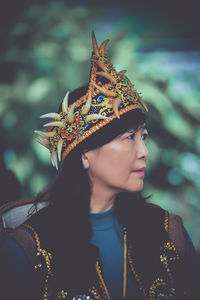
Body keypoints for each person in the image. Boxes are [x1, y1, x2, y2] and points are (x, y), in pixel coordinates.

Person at [0, 32, 199, 300]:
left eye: (143, 137)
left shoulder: (167, 233)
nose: (144, 152)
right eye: (129, 138)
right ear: (85, 154)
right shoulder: (28, 250)